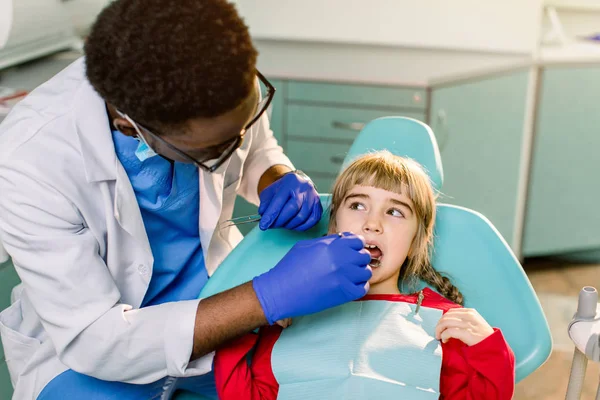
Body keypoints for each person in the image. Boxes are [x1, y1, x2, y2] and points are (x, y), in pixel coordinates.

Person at [0, 1, 372, 399]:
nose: (241, 141)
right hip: (103, 352)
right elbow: (97, 339)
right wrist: (269, 295)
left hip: (221, 299)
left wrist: (275, 176)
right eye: (217, 148)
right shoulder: (30, 163)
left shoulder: (211, 75)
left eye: (247, 119)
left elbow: (254, 148)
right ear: (131, 126)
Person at [214, 152, 516, 400]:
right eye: (358, 205)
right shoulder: (290, 312)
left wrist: (490, 350)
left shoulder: (442, 325)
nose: (372, 223)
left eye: (395, 211)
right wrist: (250, 322)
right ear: (332, 228)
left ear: (416, 243)